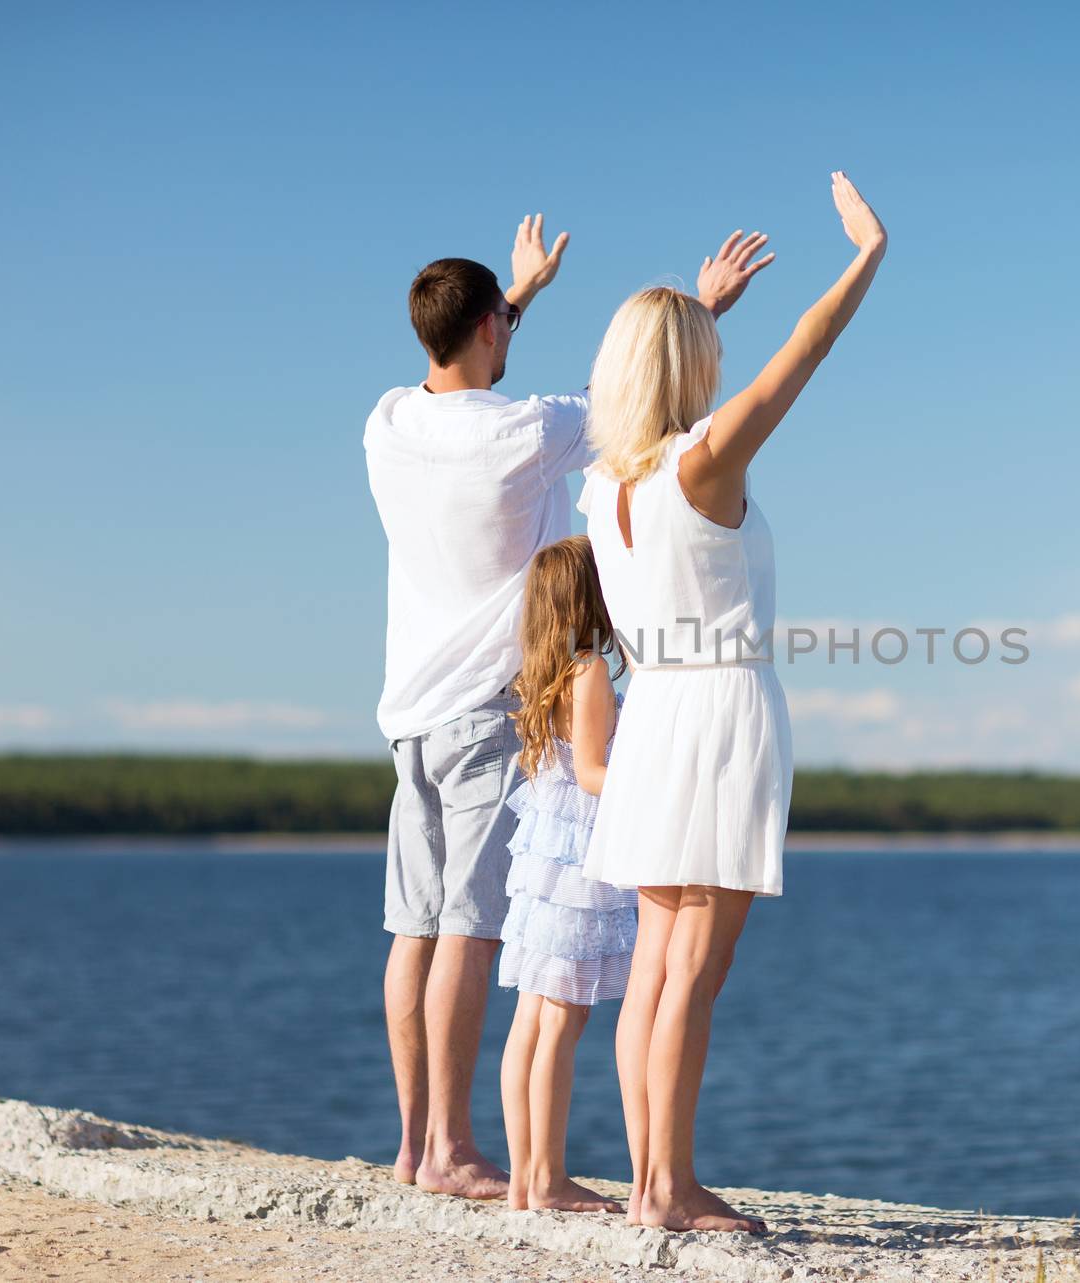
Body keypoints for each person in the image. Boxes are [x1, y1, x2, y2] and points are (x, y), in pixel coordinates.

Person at [364, 212, 776, 1198]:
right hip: (485, 703)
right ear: (487, 332)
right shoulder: (523, 431)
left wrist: (517, 292)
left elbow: (468, 345)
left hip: (406, 709)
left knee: (413, 925)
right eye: (502, 320)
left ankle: (414, 1141)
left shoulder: (386, 419)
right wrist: (704, 310)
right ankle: (453, 1151)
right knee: (469, 923)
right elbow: (623, 397)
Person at [578, 171, 887, 1232]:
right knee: (693, 974)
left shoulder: (603, 481)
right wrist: (865, 255)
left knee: (658, 966)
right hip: (717, 715)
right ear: (690, 370)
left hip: (653, 713)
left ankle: (647, 1180)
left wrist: (697, 311)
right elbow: (801, 353)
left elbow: (653, 386)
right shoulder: (705, 464)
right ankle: (667, 1188)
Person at [498, 536, 633, 1212]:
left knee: (531, 1018)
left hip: (541, 867)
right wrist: (654, 787)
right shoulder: (591, 672)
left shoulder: (543, 673)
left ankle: (526, 1176)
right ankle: (547, 1179)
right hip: (578, 866)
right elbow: (592, 773)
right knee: (561, 1021)